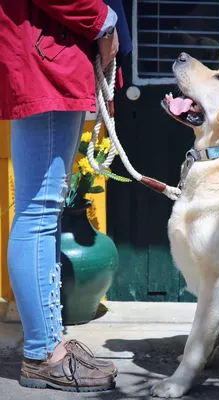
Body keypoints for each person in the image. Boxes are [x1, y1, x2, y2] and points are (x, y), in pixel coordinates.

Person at [0, 0, 129, 392]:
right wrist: (103, 21)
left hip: (50, 52)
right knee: (39, 212)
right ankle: (43, 354)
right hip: (48, 55)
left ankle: (50, 341)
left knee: (42, 212)